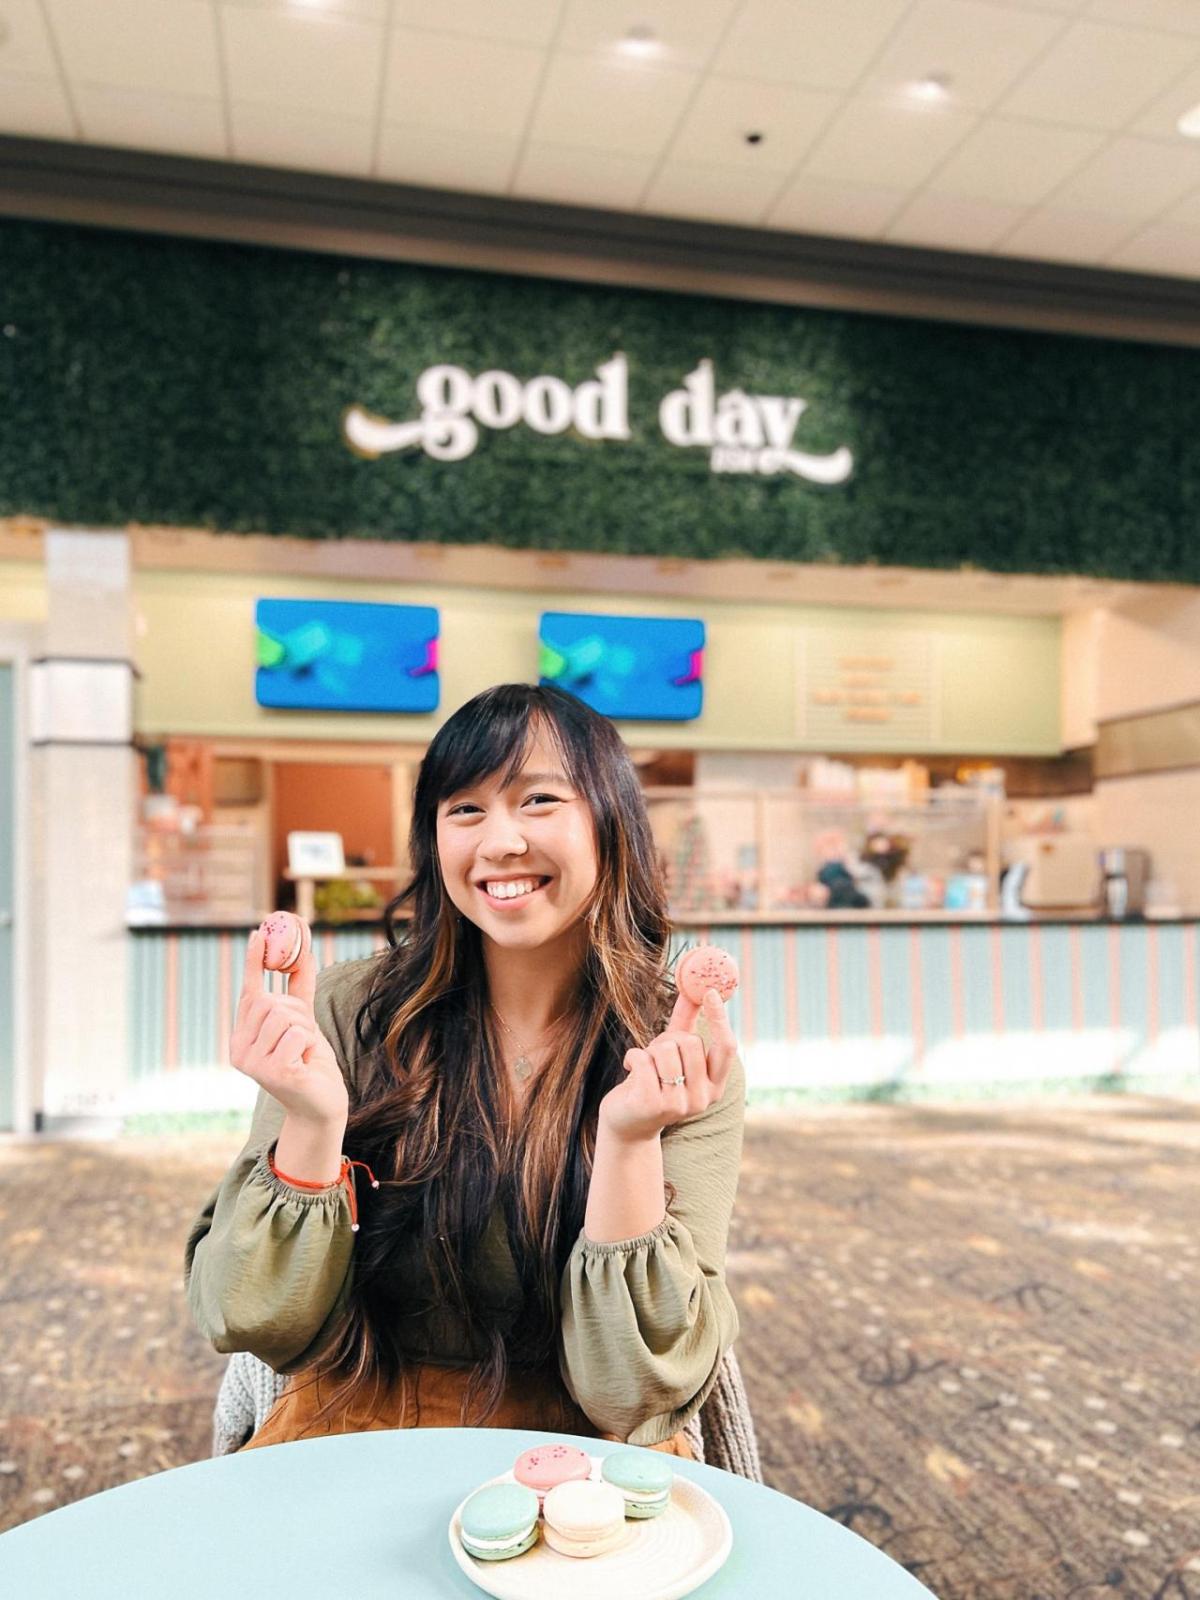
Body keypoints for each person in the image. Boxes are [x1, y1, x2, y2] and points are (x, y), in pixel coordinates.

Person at [185, 682, 744, 1454]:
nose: (500, 841)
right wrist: (314, 1124)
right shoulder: (351, 1010)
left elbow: (632, 1392)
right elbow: (247, 1318)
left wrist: (628, 1141)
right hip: (354, 1424)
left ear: (612, 823)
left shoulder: (675, 1050)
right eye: (465, 809)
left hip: (589, 1456)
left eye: (539, 800)